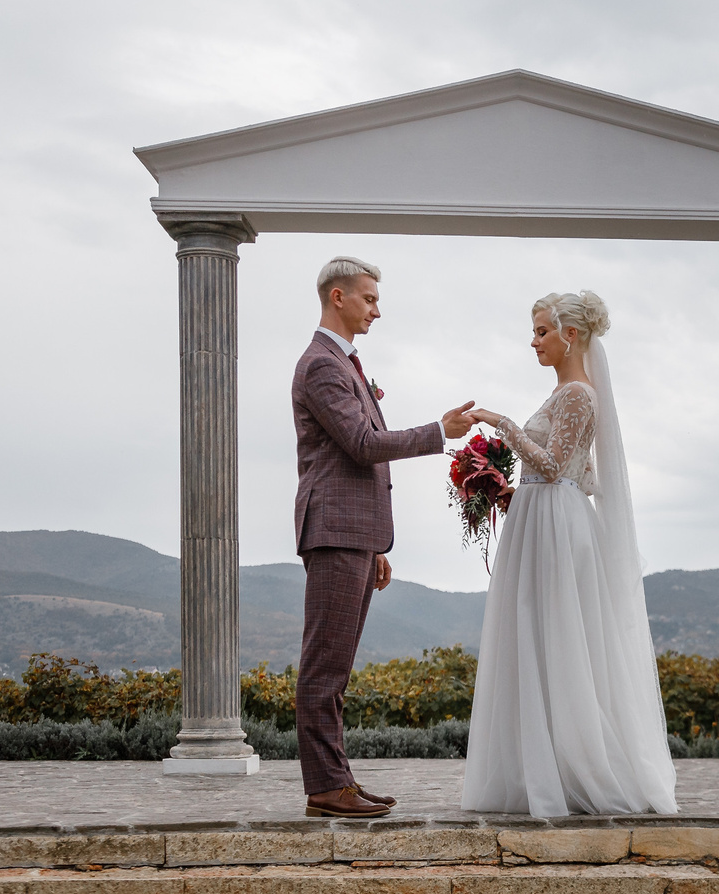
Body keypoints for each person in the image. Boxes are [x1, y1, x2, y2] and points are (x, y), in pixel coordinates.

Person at [456, 289, 679, 817]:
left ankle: (573, 767)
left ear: (570, 335)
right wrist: (510, 487)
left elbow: (555, 466)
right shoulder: (567, 394)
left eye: (541, 331)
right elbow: (580, 471)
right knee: (537, 633)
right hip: (545, 516)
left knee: (556, 632)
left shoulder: (578, 393)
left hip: (557, 524)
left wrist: (500, 423)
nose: (534, 341)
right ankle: (544, 762)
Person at [290, 255, 474, 818]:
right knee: (325, 665)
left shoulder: (343, 362)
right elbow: (363, 445)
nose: (377, 309)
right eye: (369, 298)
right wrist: (438, 433)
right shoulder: (322, 365)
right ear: (337, 297)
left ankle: (336, 779)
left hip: (354, 534)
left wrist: (373, 544)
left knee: (337, 665)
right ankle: (325, 788)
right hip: (334, 530)